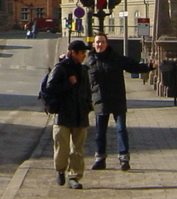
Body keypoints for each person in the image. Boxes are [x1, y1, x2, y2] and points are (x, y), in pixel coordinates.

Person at [85, 32, 151, 170]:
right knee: (100, 132)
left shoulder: (115, 58)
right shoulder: (89, 61)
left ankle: (124, 158)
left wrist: (149, 66)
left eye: (102, 42)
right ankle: (100, 159)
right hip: (100, 99)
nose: (100, 44)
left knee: (121, 129)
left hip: (117, 98)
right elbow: (80, 77)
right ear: (93, 44)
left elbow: (133, 66)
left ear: (106, 43)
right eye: (97, 42)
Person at [49, 39, 93, 189]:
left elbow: (87, 90)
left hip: (80, 114)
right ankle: (60, 170)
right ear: (73, 53)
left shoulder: (83, 69)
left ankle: (74, 176)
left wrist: (88, 105)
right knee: (62, 147)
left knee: (78, 148)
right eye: (82, 53)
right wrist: (69, 83)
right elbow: (50, 88)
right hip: (63, 114)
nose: (84, 56)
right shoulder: (61, 68)